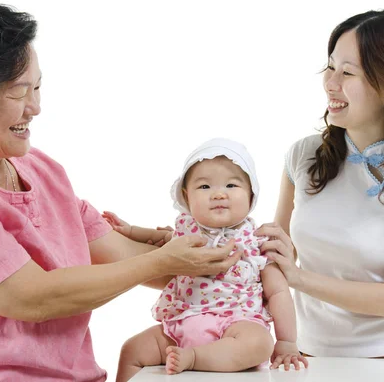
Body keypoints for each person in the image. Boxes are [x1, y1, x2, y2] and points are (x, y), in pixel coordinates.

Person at [0, 0, 241, 381]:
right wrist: (164, 260)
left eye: (37, 87)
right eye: (18, 93)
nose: (35, 107)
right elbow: (33, 297)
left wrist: (243, 251)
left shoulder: (37, 168)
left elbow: (123, 256)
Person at [256, 10, 384, 359]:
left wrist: (298, 278)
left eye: (347, 72)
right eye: (330, 67)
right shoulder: (304, 156)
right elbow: (278, 253)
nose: (330, 83)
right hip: (303, 360)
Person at [104, 138, 308, 381]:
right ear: (186, 197)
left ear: (251, 194)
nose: (219, 194)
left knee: (259, 343)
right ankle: (181, 355)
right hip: (182, 324)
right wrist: (129, 230)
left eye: (232, 185)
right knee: (132, 349)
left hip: (236, 325)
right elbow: (159, 237)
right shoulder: (184, 235)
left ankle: (194, 358)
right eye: (204, 187)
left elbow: (278, 293)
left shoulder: (257, 243)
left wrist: (286, 341)